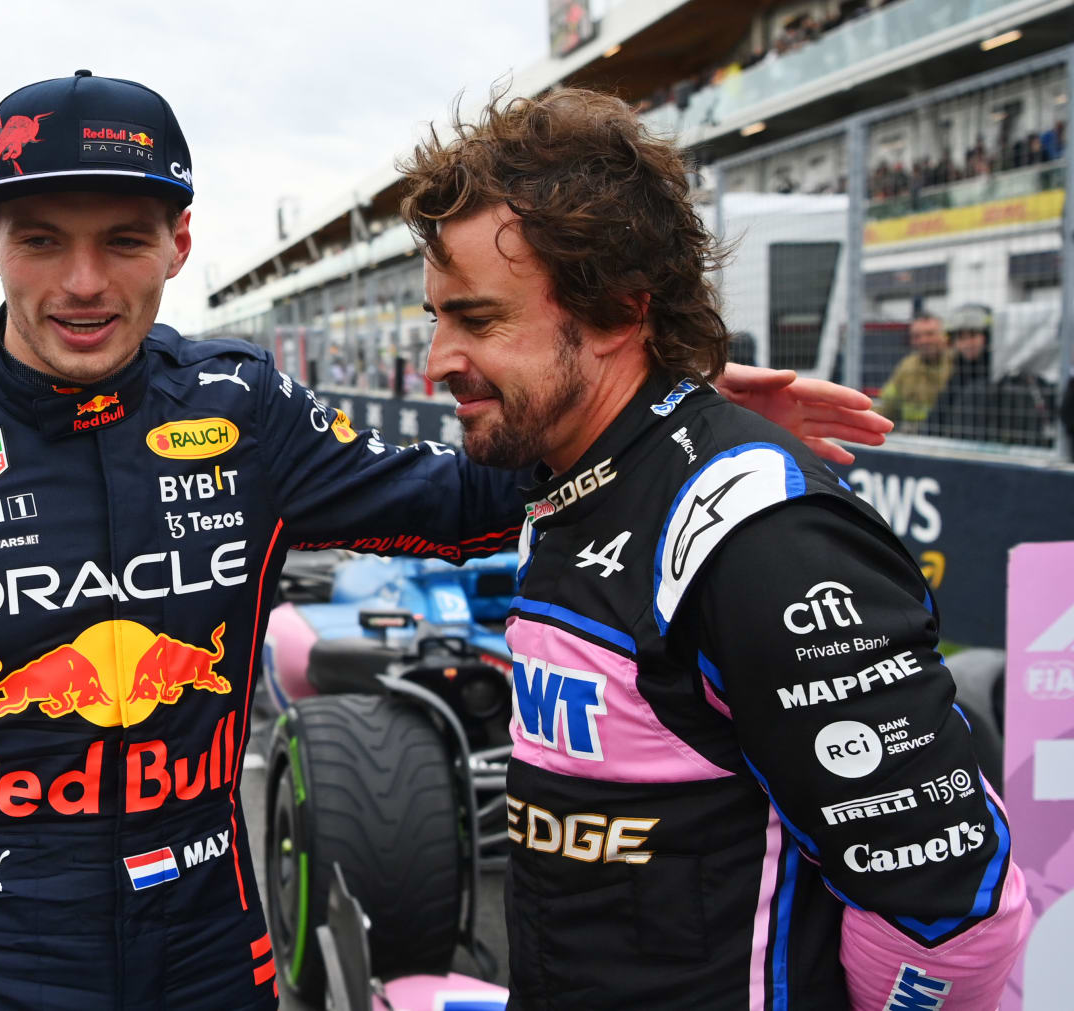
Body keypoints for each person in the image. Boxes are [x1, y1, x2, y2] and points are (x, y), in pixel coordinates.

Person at [0, 72, 888, 1011]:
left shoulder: (239, 409)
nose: (81, 282)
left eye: (123, 239)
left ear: (177, 241)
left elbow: (461, 496)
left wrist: (663, 405)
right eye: (39, 239)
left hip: (212, 956)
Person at [402, 88, 1029, 1009]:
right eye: (437, 321)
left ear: (618, 310)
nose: (436, 362)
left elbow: (952, 917)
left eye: (479, 320)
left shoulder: (759, 534)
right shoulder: (571, 469)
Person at [923, 304, 994, 441]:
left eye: (973, 335)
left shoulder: (1000, 377)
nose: (967, 343)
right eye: (961, 338)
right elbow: (936, 419)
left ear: (986, 337)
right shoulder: (957, 375)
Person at [877, 313, 951, 430]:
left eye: (930, 334)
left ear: (944, 336)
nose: (924, 340)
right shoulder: (906, 366)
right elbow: (888, 405)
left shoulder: (956, 364)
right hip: (912, 435)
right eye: (917, 336)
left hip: (949, 434)